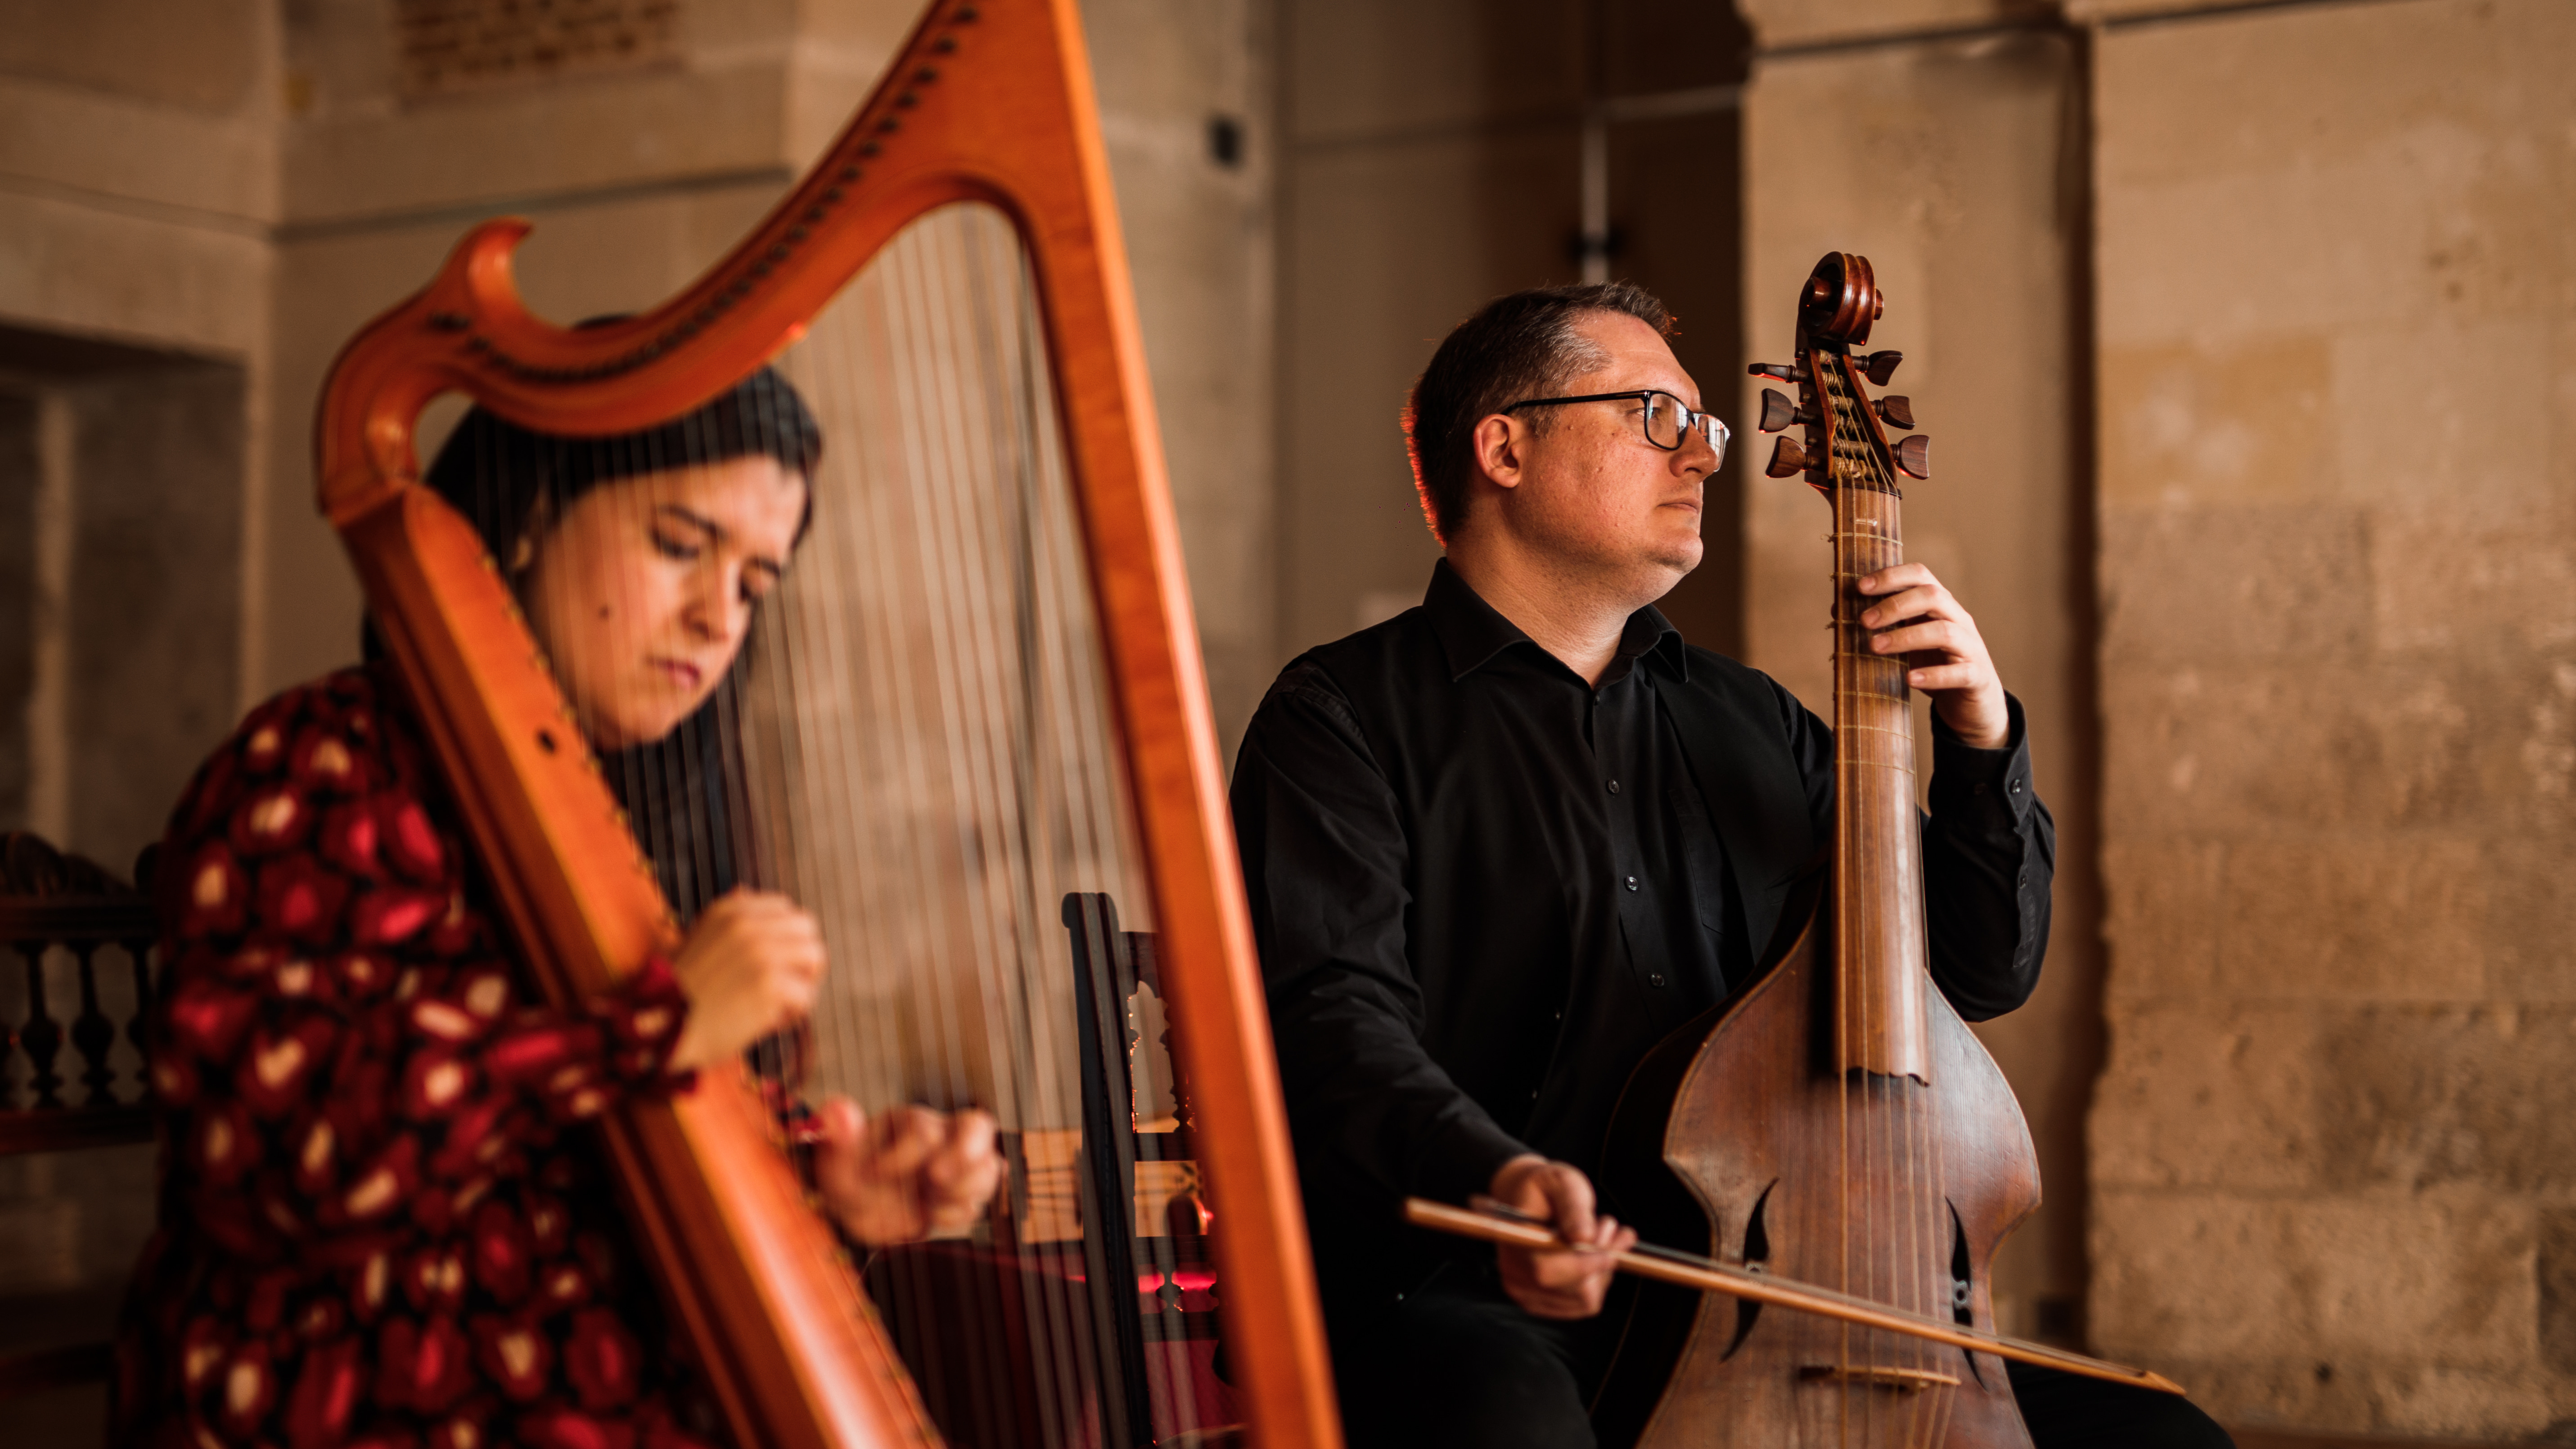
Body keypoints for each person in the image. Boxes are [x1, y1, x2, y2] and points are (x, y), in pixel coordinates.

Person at [1229, 284, 2229, 1447]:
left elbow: (1974, 974)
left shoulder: (1756, 724)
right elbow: (1330, 1018)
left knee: (2167, 1440)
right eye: (1656, 416)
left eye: (1703, 428)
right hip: (1479, 1287)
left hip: (1766, 1290)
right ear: (1503, 446)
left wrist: (1976, 741)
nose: (1701, 458)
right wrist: (1497, 1179)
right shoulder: (1339, 715)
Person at [112, 369, 1003, 1449]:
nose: (718, 617)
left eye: (756, 583)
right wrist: (655, 1025)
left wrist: (828, 1190)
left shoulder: (630, 832)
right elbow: (264, 1153)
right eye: (681, 543)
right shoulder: (320, 761)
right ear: (533, 518)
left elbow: (606, 1159)